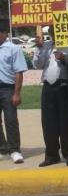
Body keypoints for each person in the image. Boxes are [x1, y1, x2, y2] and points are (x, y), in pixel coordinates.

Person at [33, 27, 68, 167]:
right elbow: (37, 65)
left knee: (67, 123)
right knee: (48, 123)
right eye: (51, 31)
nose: (54, 33)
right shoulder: (46, 46)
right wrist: (39, 49)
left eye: (56, 30)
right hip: (48, 88)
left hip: (66, 87)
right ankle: (52, 155)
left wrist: (65, 58)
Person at [0, 19, 26, 164]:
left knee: (10, 120)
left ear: (4, 33)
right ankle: (2, 147)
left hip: (7, 88)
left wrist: (17, 93)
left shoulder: (13, 49)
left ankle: (15, 150)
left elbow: (19, 72)